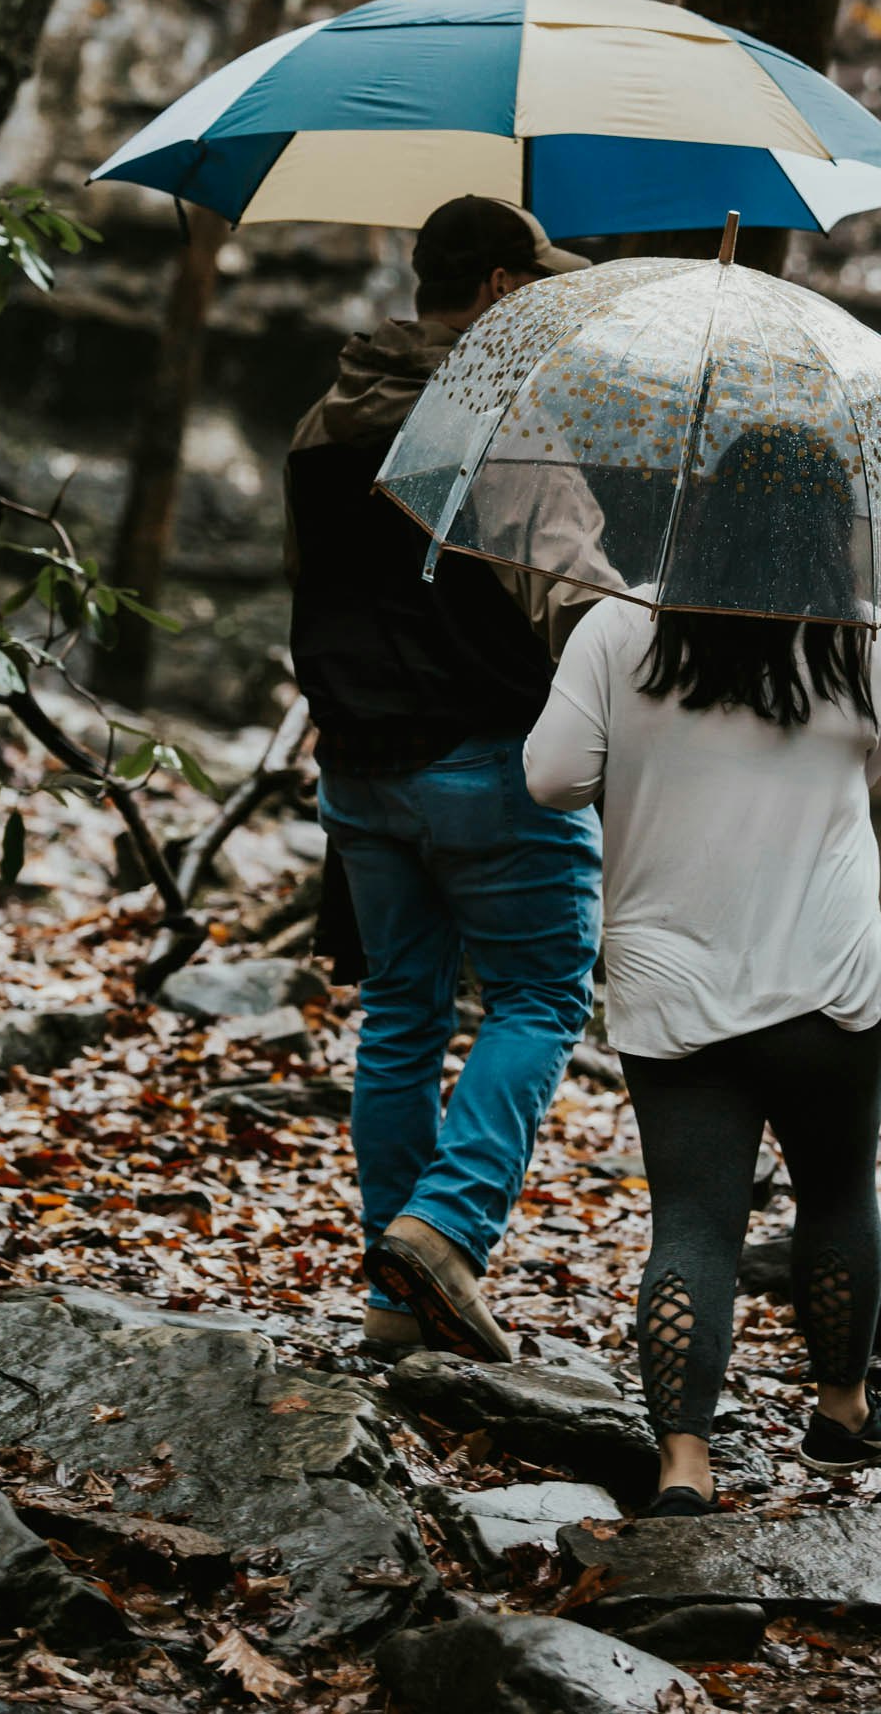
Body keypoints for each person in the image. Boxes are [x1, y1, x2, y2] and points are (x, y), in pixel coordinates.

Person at [286, 194, 605, 1362]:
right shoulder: (496, 417)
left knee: (401, 1020)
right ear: (496, 290)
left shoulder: (326, 417)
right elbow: (579, 603)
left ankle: (391, 1300)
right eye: (534, 286)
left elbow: (313, 586)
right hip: (486, 762)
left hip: (360, 770)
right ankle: (444, 1229)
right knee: (540, 997)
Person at [523, 579, 881, 1514]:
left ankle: (684, 1468)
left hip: (673, 972)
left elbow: (551, 779)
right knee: (835, 1190)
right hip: (826, 966)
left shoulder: (618, 622)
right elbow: (876, 755)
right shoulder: (867, 630)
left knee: (694, 1223)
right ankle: (843, 1414)